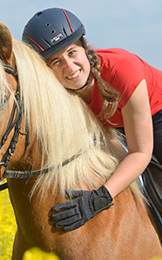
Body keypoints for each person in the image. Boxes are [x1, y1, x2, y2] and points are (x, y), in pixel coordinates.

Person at [22, 8, 162, 232]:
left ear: (84, 48)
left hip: (157, 115)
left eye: (72, 52)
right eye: (55, 61)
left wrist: (100, 197)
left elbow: (140, 152)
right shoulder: (56, 93)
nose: (69, 67)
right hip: (119, 127)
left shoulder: (123, 70)